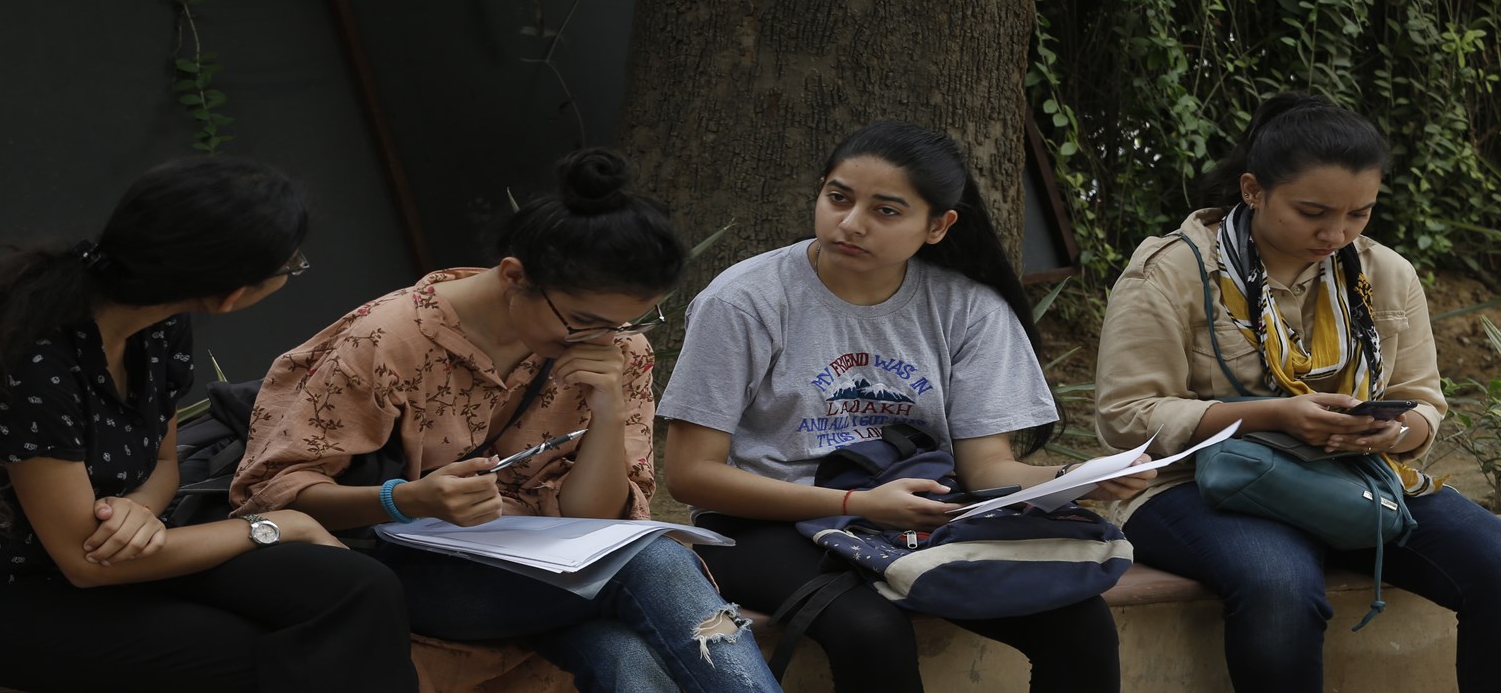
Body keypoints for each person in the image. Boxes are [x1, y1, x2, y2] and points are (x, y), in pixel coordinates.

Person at [230, 148, 781, 693]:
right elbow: (271, 496)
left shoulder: (619, 351)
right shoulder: (389, 340)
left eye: (628, 322)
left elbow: (594, 517)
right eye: (584, 321)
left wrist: (609, 410)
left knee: (625, 657)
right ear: (515, 276)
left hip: (555, 573)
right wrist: (408, 500)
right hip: (407, 575)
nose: (604, 338)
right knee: (654, 562)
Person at [658, 121, 1153, 693]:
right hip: (761, 525)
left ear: (938, 226)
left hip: (911, 516)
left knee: (1079, 624)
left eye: (886, 210)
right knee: (870, 629)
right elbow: (691, 475)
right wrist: (856, 501)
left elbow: (986, 471)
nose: (851, 222)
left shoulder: (969, 309)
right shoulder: (743, 300)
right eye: (838, 198)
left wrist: (1079, 478)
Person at [0, 157, 419, 693]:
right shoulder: (35, 365)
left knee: (362, 587)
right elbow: (84, 564)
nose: (293, 269)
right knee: (268, 656)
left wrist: (139, 507)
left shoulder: (158, 326)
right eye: (290, 264)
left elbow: (166, 461)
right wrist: (273, 526)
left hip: (123, 550)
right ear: (229, 294)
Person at [1094, 93, 1501, 692]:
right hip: (1194, 485)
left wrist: (1390, 431)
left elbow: (1422, 401)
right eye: (1312, 212)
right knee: (1278, 586)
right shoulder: (1173, 271)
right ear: (1253, 190)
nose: (1336, 233)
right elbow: (1127, 415)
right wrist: (1275, 417)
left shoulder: (1385, 273)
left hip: (1352, 476)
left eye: (1359, 214)